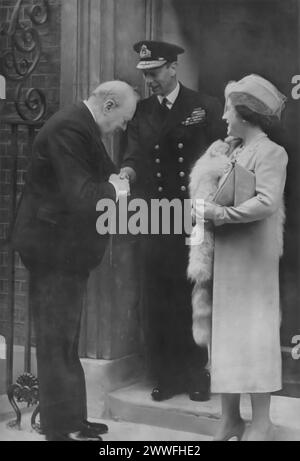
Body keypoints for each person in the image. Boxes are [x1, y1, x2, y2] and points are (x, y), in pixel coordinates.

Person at [12, 81, 138, 441]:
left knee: (66, 340)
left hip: (64, 252)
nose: (123, 127)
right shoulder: (70, 127)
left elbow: (107, 174)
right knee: (56, 341)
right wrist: (116, 188)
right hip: (52, 252)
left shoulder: (83, 126)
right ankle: (59, 429)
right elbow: (83, 196)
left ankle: (73, 422)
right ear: (109, 104)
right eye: (124, 119)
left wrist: (120, 179)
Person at [121, 40, 225, 402]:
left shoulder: (205, 106)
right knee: (158, 294)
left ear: (173, 68)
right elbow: (131, 155)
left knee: (194, 292)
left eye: (154, 72)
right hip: (154, 216)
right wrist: (125, 177)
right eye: (145, 74)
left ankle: (197, 373)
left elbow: (221, 159)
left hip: (194, 214)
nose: (149, 80)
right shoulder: (140, 111)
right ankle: (165, 374)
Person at [192, 74, 288, 441]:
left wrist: (218, 214)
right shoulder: (229, 150)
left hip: (252, 262)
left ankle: (261, 422)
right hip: (226, 258)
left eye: (229, 109)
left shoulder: (270, 152)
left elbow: (266, 202)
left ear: (246, 115)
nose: (224, 117)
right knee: (226, 338)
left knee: (255, 337)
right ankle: (230, 418)